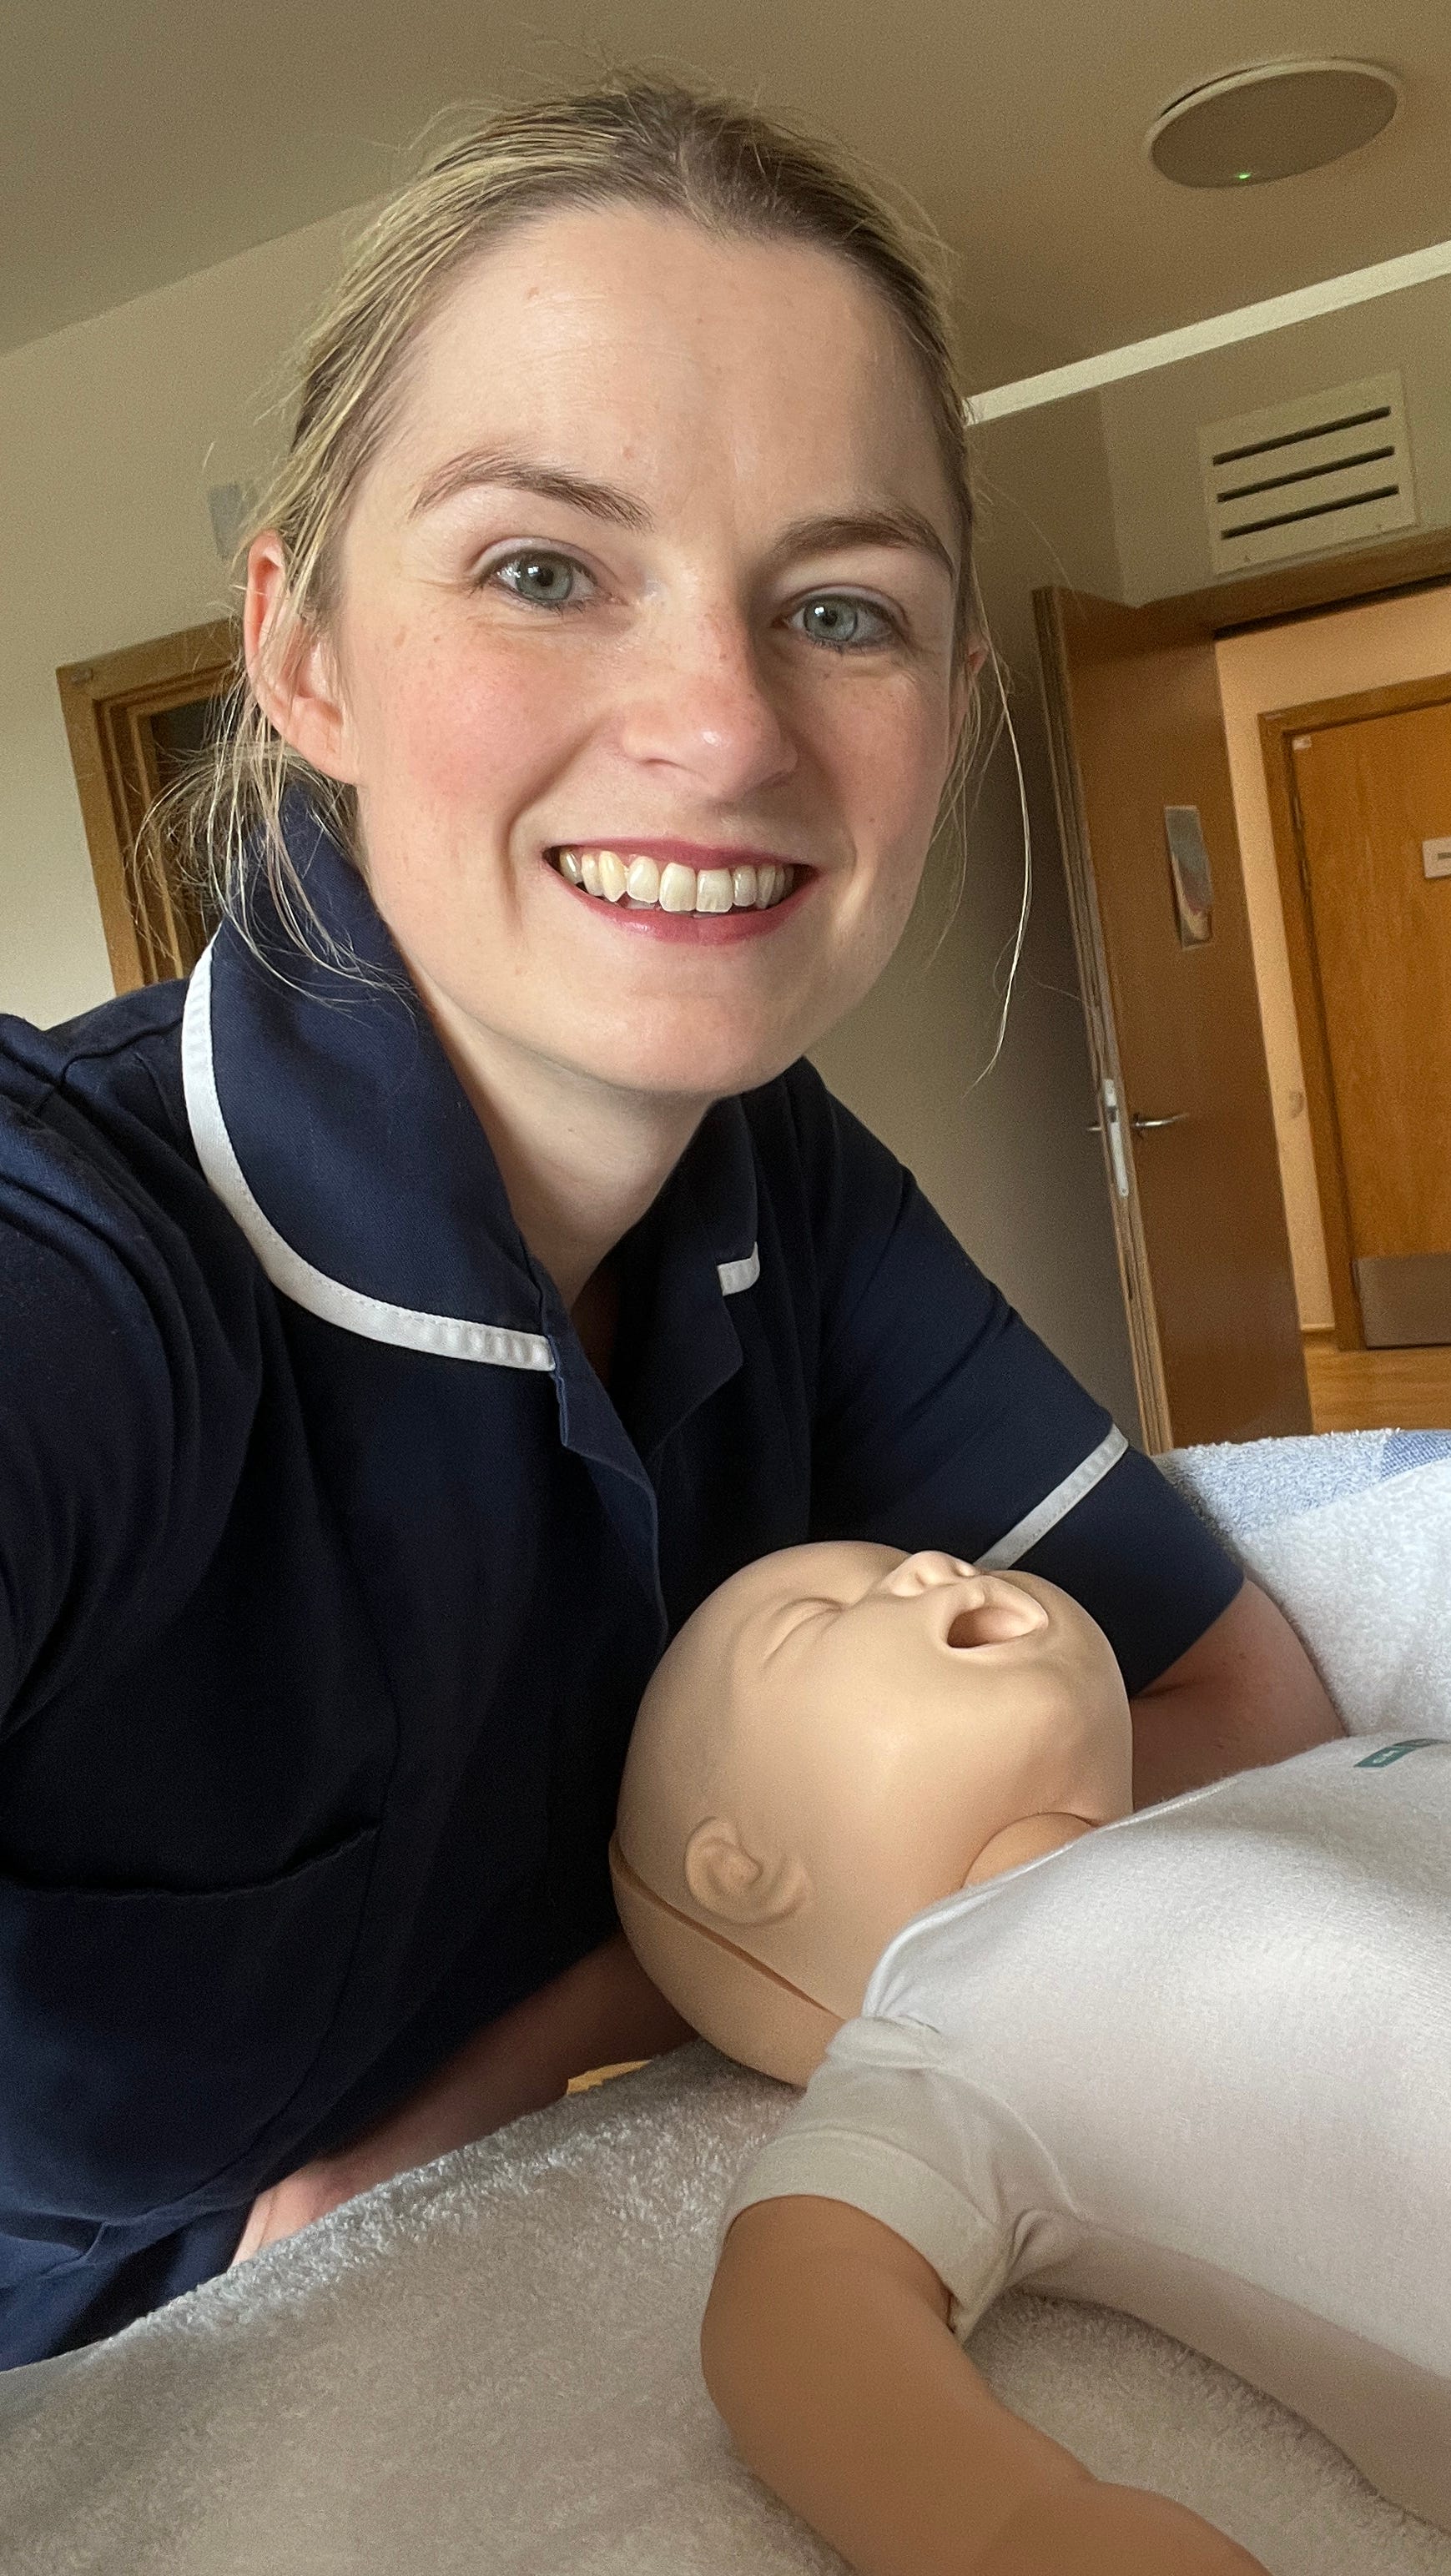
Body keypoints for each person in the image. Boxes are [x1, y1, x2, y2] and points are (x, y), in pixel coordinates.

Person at [0, 78, 1338, 2371]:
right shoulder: (84, 1246)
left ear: (951, 706)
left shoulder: (777, 1184)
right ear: (303, 654)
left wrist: (569, 2036)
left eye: (839, 609)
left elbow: (1230, 1698)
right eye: (543, 568)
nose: (723, 728)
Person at [611, 1540, 1451, 2576]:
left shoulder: (1330, 1771)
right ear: (740, 1872)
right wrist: (1012, 2527)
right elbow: (798, 2301)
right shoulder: (946, 2026)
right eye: (813, 1623)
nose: (922, 1566)